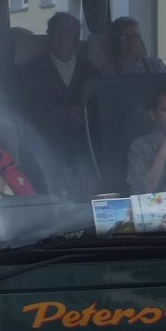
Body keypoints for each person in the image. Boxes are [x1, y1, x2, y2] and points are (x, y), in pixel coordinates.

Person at [18, 12, 100, 195]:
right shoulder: (31, 71)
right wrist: (63, 114)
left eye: (68, 32)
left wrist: (85, 115)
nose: (63, 36)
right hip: (47, 148)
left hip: (87, 149)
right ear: (49, 34)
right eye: (57, 31)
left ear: (76, 37)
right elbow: (25, 113)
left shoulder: (91, 71)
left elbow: (102, 110)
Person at [101, 16, 166, 75]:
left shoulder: (156, 66)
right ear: (115, 41)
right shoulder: (107, 72)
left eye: (135, 36)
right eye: (125, 37)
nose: (131, 41)